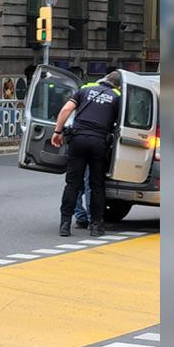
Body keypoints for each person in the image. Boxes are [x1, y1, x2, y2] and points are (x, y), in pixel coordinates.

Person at [51, 71, 124, 238]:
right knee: (96, 185)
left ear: (104, 80)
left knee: (72, 184)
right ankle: (96, 226)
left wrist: (58, 131)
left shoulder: (84, 90)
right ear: (118, 86)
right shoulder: (116, 97)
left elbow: (66, 109)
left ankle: (65, 225)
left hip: (78, 140)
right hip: (99, 143)